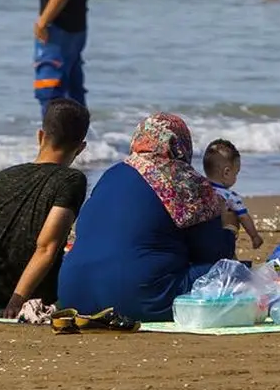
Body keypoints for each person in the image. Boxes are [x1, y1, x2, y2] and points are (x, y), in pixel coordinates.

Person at [58, 112, 234, 322]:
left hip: (72, 294)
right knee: (228, 273)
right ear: (180, 145)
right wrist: (229, 227)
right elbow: (214, 253)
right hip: (137, 298)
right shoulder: (185, 179)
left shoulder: (112, 174)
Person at [0, 98, 91, 319]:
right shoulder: (71, 180)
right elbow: (46, 247)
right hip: (37, 294)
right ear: (80, 148)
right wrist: (16, 301)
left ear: (40, 136)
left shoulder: (1, 178)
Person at [202, 138, 263, 249]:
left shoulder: (199, 189)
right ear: (227, 172)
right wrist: (254, 236)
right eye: (236, 173)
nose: (236, 178)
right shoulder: (230, 196)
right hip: (220, 239)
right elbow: (244, 217)